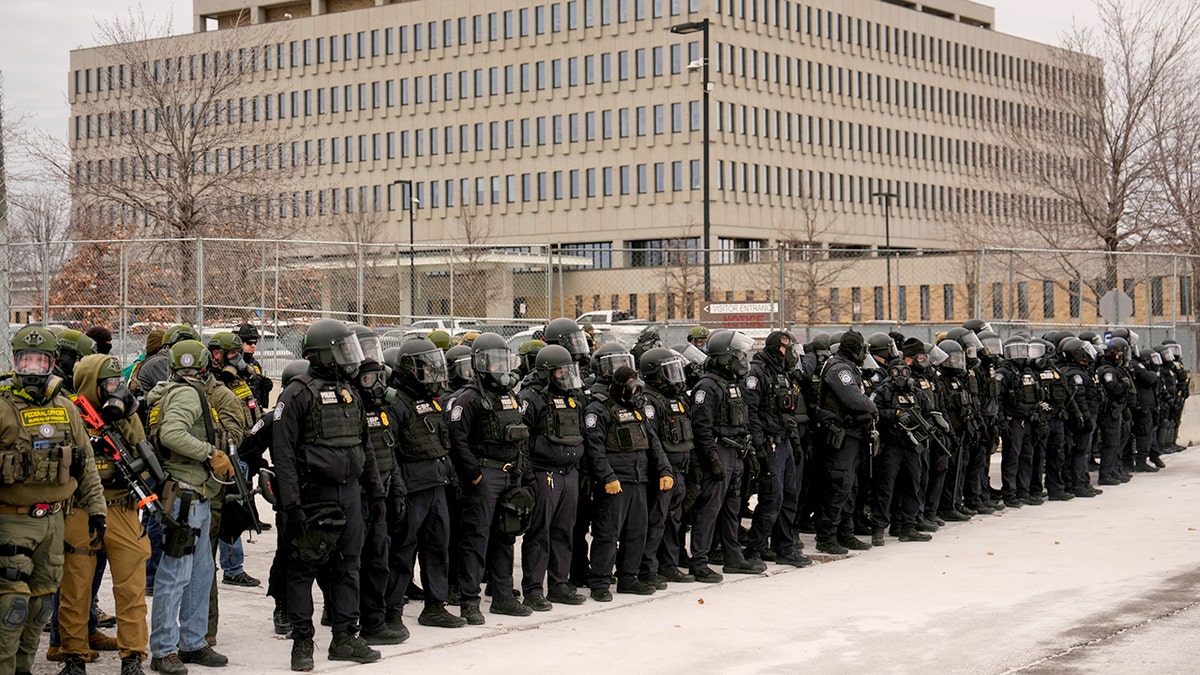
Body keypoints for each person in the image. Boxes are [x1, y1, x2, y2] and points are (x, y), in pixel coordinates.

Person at [272, 319, 386, 671]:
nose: (349, 356)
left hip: (350, 493)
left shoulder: (350, 392)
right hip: (312, 495)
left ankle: (344, 636)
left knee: (348, 566)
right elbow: (283, 453)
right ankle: (302, 642)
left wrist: (377, 492)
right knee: (303, 569)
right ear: (322, 354)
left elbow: (364, 445)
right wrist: (290, 504)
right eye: (342, 349)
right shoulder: (296, 394)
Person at [0, 325, 106, 675]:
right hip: (13, 521)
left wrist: (96, 510)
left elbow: (87, 464)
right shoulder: (2, 407)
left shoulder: (67, 408)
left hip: (54, 521)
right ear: (15, 363)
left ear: (51, 364)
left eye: (39, 361)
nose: (32, 368)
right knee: (11, 607)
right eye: (25, 361)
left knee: (41, 604)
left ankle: (23, 668)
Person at [59, 354, 152, 675]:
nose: (116, 389)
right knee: (76, 587)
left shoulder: (126, 416)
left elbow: (144, 454)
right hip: (81, 508)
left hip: (122, 508)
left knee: (131, 587)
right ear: (89, 386)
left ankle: (132, 655)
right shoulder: (69, 414)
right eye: (108, 384)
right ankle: (74, 654)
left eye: (118, 383)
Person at [145, 339, 232, 673]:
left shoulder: (171, 391)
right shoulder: (187, 393)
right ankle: (164, 649)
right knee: (175, 574)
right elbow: (171, 434)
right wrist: (210, 453)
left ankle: (192, 642)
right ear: (204, 365)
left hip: (195, 493)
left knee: (199, 572)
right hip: (185, 494)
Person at [444, 332, 532, 625]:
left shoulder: (510, 396)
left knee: (505, 537)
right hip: (485, 476)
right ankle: (470, 602)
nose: (499, 367)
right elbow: (457, 441)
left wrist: (520, 473)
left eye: (503, 361)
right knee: (476, 539)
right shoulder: (467, 399)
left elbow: (520, 436)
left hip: (509, 475)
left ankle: (504, 597)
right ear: (479, 364)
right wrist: (476, 476)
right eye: (493, 362)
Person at [383, 340, 465, 629]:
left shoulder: (434, 399)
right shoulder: (395, 402)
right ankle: (391, 610)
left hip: (437, 484)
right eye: (423, 366)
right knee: (402, 551)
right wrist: (396, 490)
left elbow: (444, 443)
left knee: (437, 548)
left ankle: (435, 605)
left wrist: (452, 476)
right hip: (411, 487)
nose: (430, 372)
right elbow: (389, 451)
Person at [582, 363, 672, 601]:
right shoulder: (599, 409)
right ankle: (600, 582)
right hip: (615, 483)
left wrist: (664, 470)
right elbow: (595, 450)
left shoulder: (638, 408)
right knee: (607, 533)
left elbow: (653, 443)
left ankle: (628, 578)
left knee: (636, 532)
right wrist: (607, 477)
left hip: (639, 480)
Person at [687, 329, 765, 581]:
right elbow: (702, 428)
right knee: (708, 510)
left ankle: (733, 558)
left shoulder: (733, 384)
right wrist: (711, 459)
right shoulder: (707, 386)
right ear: (725, 357)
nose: (743, 360)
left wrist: (749, 449)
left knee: (733, 509)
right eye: (738, 355)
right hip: (719, 453)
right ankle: (699, 561)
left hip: (736, 453)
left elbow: (743, 421)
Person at [519, 345, 587, 608]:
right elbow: (521, 440)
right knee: (540, 532)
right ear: (547, 372)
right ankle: (533, 589)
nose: (565, 376)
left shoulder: (571, 397)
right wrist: (525, 476)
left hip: (569, 472)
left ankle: (559, 584)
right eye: (560, 371)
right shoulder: (531, 398)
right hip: (543, 472)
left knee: (563, 532)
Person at [742, 331, 811, 568]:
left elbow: (788, 412)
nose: (789, 352)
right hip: (768, 443)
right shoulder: (756, 373)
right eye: (784, 348)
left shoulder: (782, 373)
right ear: (775, 349)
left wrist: (795, 442)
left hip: (784, 441)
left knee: (790, 496)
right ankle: (754, 550)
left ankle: (784, 547)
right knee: (772, 497)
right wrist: (759, 446)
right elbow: (750, 412)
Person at [637, 348, 699, 586]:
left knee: (674, 521)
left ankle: (669, 565)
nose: (675, 376)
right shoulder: (650, 401)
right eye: (668, 371)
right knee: (656, 521)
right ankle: (647, 568)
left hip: (680, 470)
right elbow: (652, 440)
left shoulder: (677, 399)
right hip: (662, 473)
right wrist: (662, 469)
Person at [812, 330, 878, 555]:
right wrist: (872, 407)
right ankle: (826, 537)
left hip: (852, 436)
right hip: (840, 436)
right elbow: (854, 399)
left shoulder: (848, 366)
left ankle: (845, 533)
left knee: (850, 487)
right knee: (838, 486)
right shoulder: (839, 368)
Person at [235, 324, 274, 408]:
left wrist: (264, 385)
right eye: (249, 343)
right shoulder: (231, 363)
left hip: (254, 408)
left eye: (255, 342)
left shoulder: (254, 363)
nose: (253, 346)